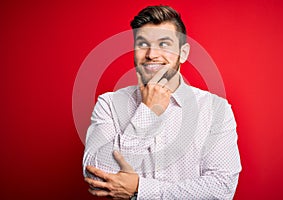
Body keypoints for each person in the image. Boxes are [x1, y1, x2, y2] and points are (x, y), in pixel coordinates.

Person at [83, 5, 241, 200]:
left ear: (183, 53)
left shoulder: (216, 109)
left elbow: (222, 188)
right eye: (142, 44)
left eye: (164, 44)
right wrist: (148, 112)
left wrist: (140, 189)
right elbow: (97, 174)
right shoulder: (109, 104)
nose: (151, 54)